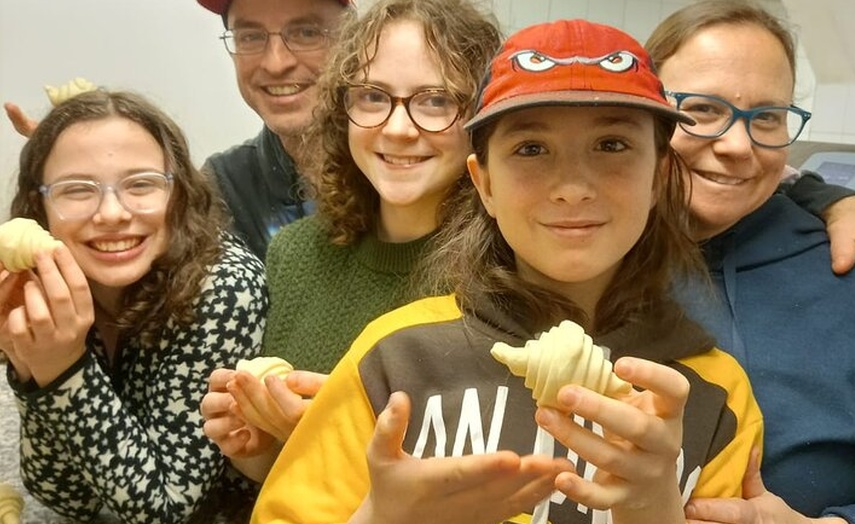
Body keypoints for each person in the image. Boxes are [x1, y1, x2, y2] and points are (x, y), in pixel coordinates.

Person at [250, 19, 764, 523]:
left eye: (612, 145)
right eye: (531, 149)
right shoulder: (396, 357)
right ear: (484, 183)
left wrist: (654, 513)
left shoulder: (711, 392)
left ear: (658, 175)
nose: (572, 186)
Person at [199, 0, 502, 481]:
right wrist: (254, 443)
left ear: (481, 119)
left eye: (436, 101)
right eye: (373, 97)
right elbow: (279, 470)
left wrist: (337, 433)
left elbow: (501, 486)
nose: (398, 129)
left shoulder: (504, 274)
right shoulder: (298, 253)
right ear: (341, 110)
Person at [644, 1, 855, 522]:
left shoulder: (849, 274)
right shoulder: (577, 253)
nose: (737, 145)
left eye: (767, 117)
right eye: (701, 110)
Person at [0, 90, 267, 523]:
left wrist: (62, 368)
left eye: (141, 184)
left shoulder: (226, 285)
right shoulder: (54, 280)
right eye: (77, 189)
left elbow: (167, 509)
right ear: (39, 205)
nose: (111, 212)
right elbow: (65, 496)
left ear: (178, 194)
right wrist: (28, 361)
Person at [193, 0, 354, 260]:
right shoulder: (225, 187)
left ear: (354, 38)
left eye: (306, 33)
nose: (276, 64)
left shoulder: (405, 163)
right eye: (251, 37)